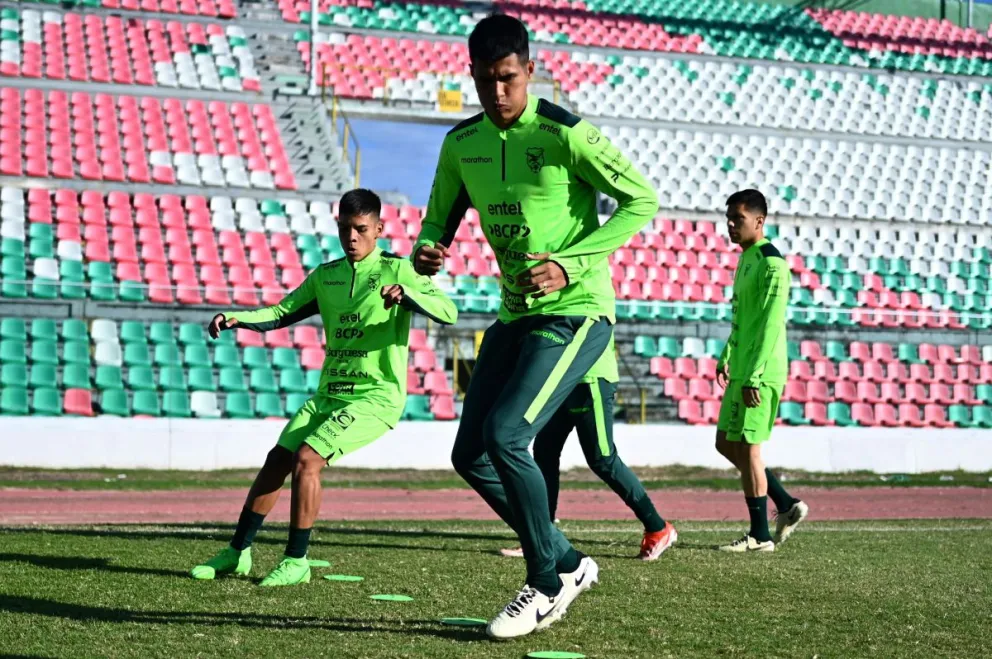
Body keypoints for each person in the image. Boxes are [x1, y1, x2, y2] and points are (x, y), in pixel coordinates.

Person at [413, 14, 659, 639]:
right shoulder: (460, 143)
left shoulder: (563, 133)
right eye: (486, 81)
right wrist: (429, 251)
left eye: (509, 79)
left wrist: (569, 263)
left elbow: (642, 200)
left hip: (578, 311)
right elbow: (437, 222)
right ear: (471, 75)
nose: (498, 93)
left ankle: (545, 583)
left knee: (506, 433)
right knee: (469, 454)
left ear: (530, 69)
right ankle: (570, 562)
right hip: (515, 314)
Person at [190, 189, 457, 584]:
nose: (352, 237)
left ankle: (296, 560)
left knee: (307, 460)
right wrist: (236, 318)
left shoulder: (401, 270)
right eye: (345, 229)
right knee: (276, 462)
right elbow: (281, 312)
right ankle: (237, 552)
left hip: (375, 397)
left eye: (361, 229)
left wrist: (409, 296)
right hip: (327, 395)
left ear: (379, 229)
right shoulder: (326, 276)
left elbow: (449, 312)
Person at [500, 336, 677, 561]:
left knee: (602, 459)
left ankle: (658, 527)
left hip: (590, 378)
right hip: (561, 379)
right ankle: (543, 537)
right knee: (544, 453)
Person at [714, 189, 809, 553]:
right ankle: (785, 504)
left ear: (759, 220)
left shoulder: (772, 263)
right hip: (741, 367)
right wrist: (727, 353)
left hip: (761, 372)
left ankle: (759, 536)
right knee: (726, 443)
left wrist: (754, 374)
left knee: (750, 448)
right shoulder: (747, 258)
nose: (731, 225)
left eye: (737, 219)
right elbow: (744, 319)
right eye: (729, 219)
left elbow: (770, 325)